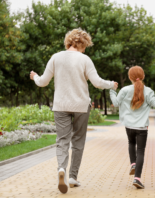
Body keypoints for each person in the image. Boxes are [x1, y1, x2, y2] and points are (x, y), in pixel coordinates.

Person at [29, 28, 118, 194]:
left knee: (62, 140)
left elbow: (42, 82)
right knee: (78, 141)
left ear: (69, 41)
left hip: (61, 106)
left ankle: (61, 169)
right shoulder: (84, 59)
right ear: (82, 44)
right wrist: (111, 84)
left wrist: (34, 76)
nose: (85, 49)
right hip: (81, 107)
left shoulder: (55, 58)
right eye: (85, 46)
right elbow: (97, 82)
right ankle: (72, 177)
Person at [110, 66, 155, 189]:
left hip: (129, 126)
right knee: (141, 151)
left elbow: (116, 103)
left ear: (129, 77)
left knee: (131, 143)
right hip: (142, 127)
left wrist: (112, 91)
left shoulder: (124, 90)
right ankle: (137, 178)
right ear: (143, 76)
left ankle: (133, 163)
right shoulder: (148, 91)